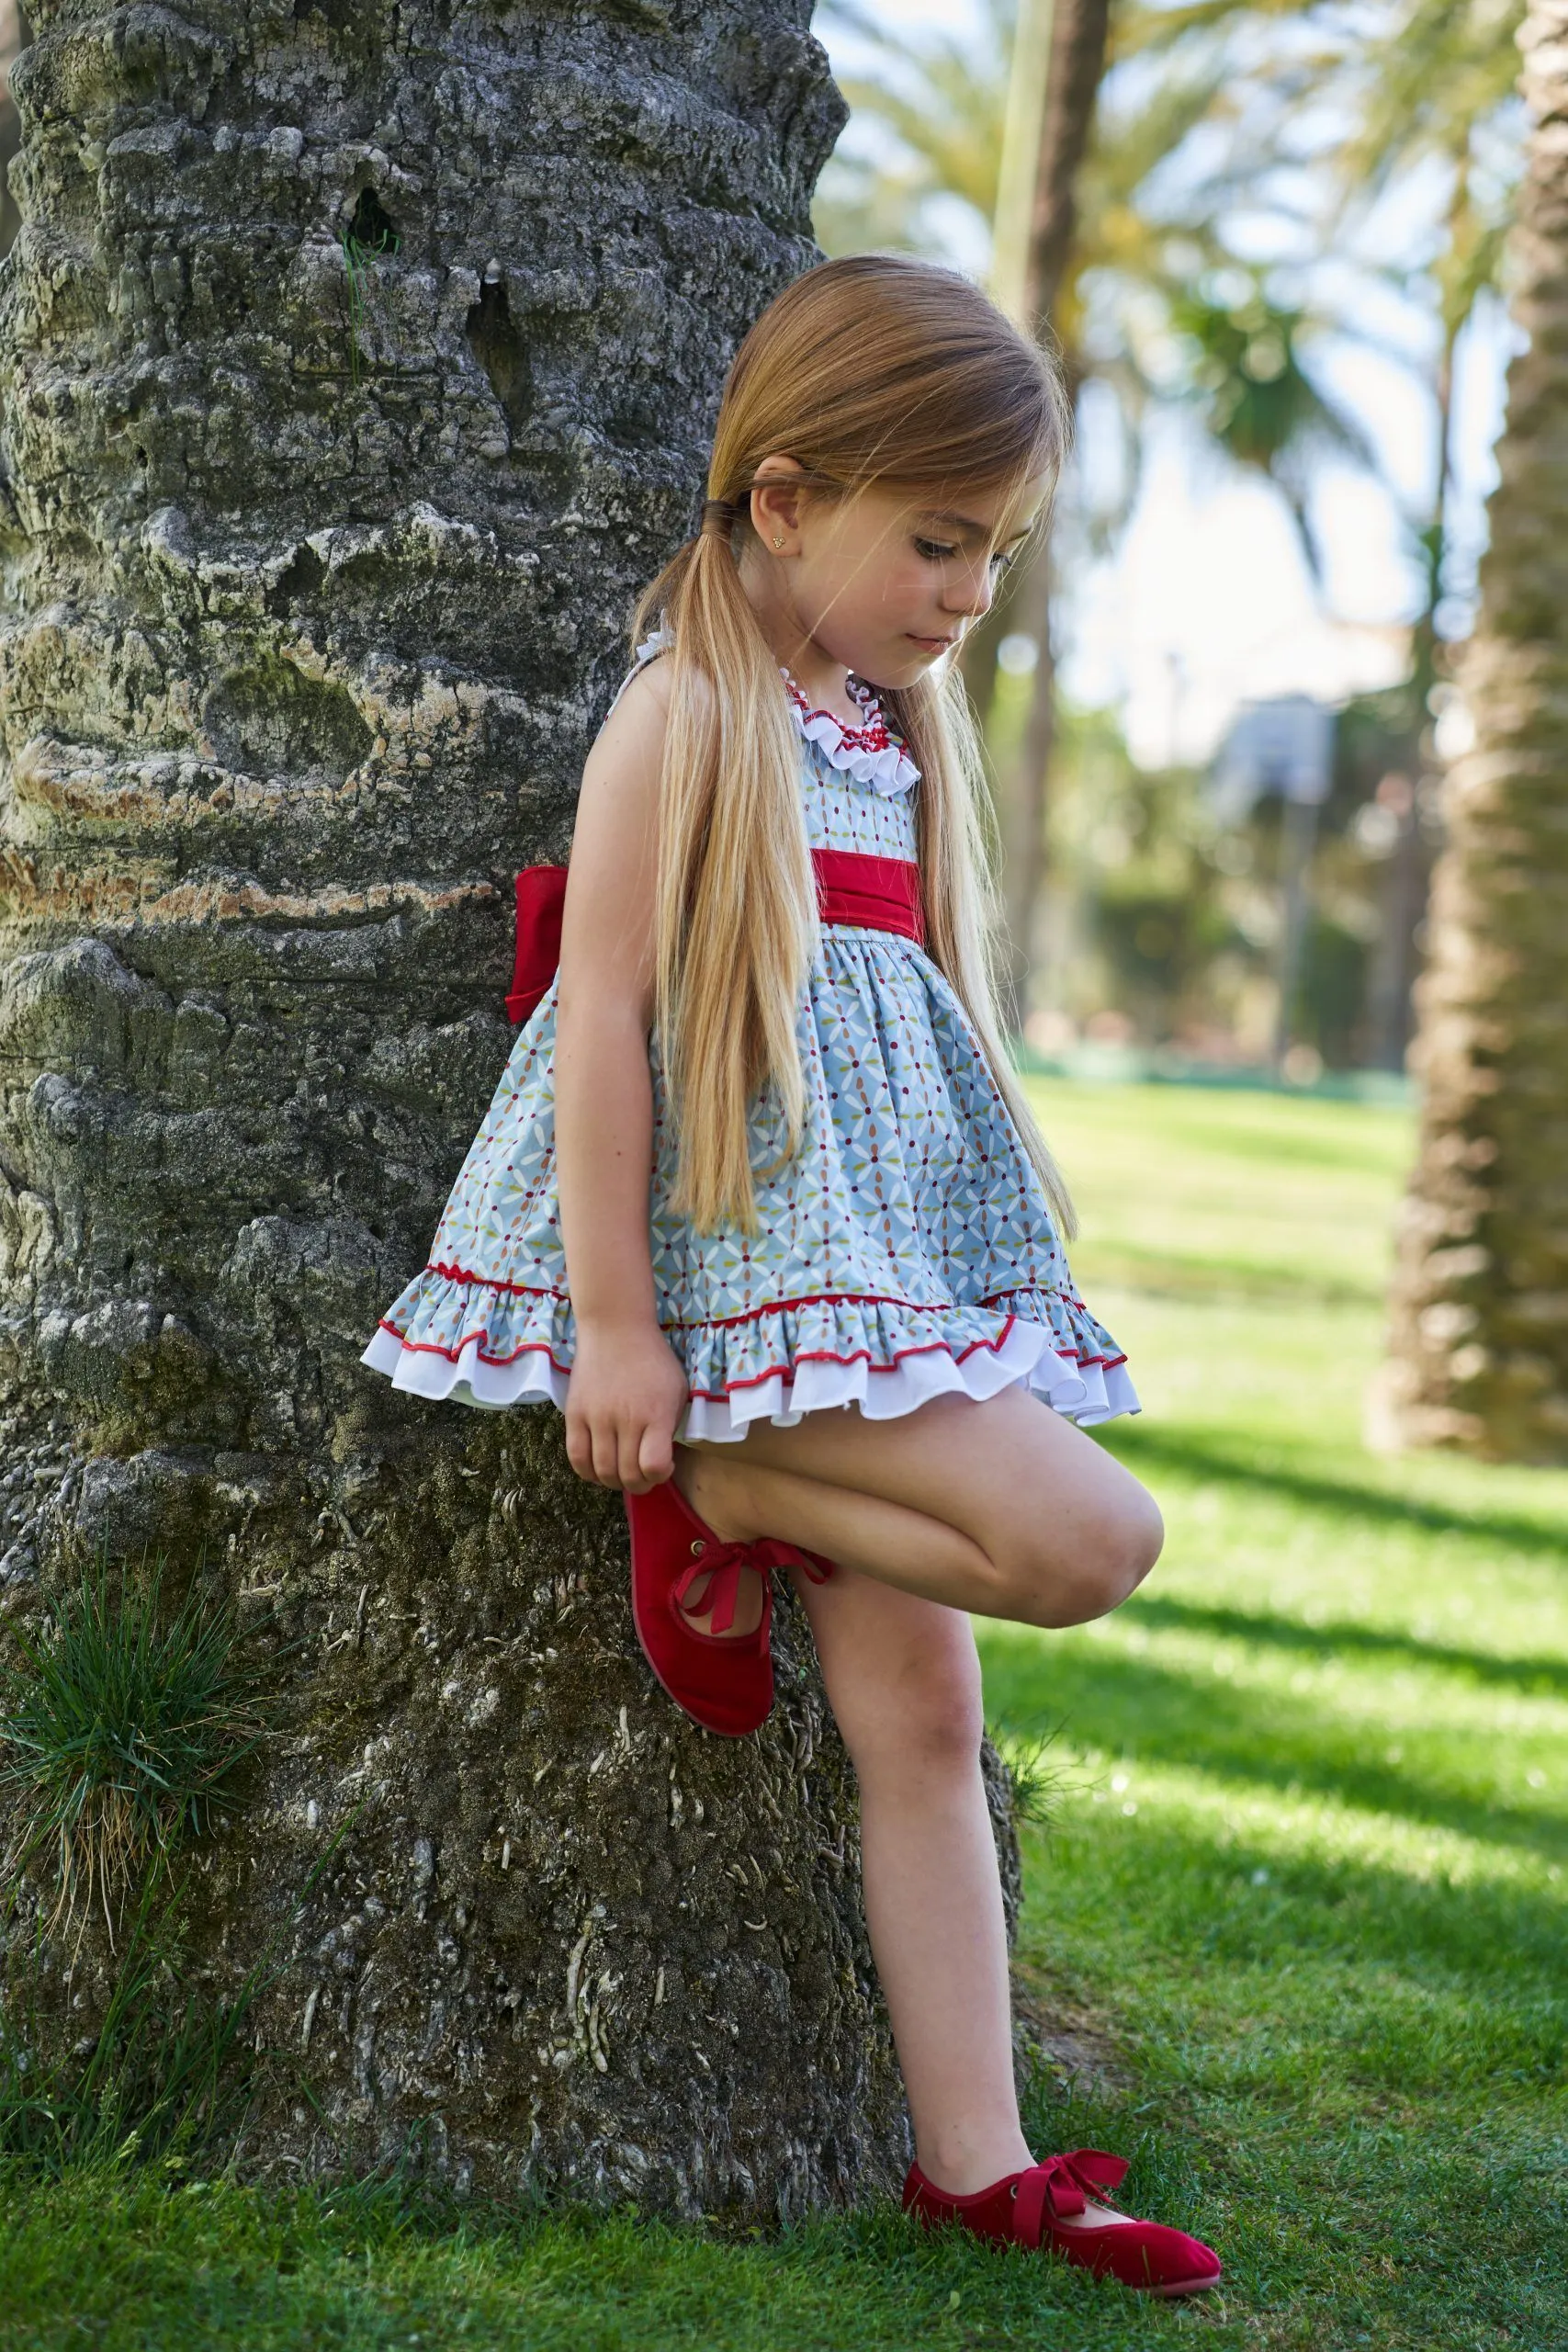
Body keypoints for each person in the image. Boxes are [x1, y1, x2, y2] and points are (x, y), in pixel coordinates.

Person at [362, 254, 1220, 2299]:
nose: (965, 596)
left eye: (994, 555)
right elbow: (597, 1027)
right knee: (1094, 1535)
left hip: (872, 1272)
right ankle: (724, 1488)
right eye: (937, 542)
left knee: (922, 1700)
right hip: (743, 1287)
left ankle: (976, 2158)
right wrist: (623, 1328)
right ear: (781, 501)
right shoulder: (684, 716)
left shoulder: (880, 731)